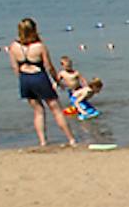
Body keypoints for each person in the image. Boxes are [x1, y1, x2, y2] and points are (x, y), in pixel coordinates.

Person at [9, 19, 79, 148]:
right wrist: (57, 81)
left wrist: (22, 79)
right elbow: (49, 66)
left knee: (38, 111)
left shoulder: (13, 46)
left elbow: (14, 67)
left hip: (25, 78)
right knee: (56, 109)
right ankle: (71, 138)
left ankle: (42, 141)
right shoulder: (39, 46)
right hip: (39, 77)